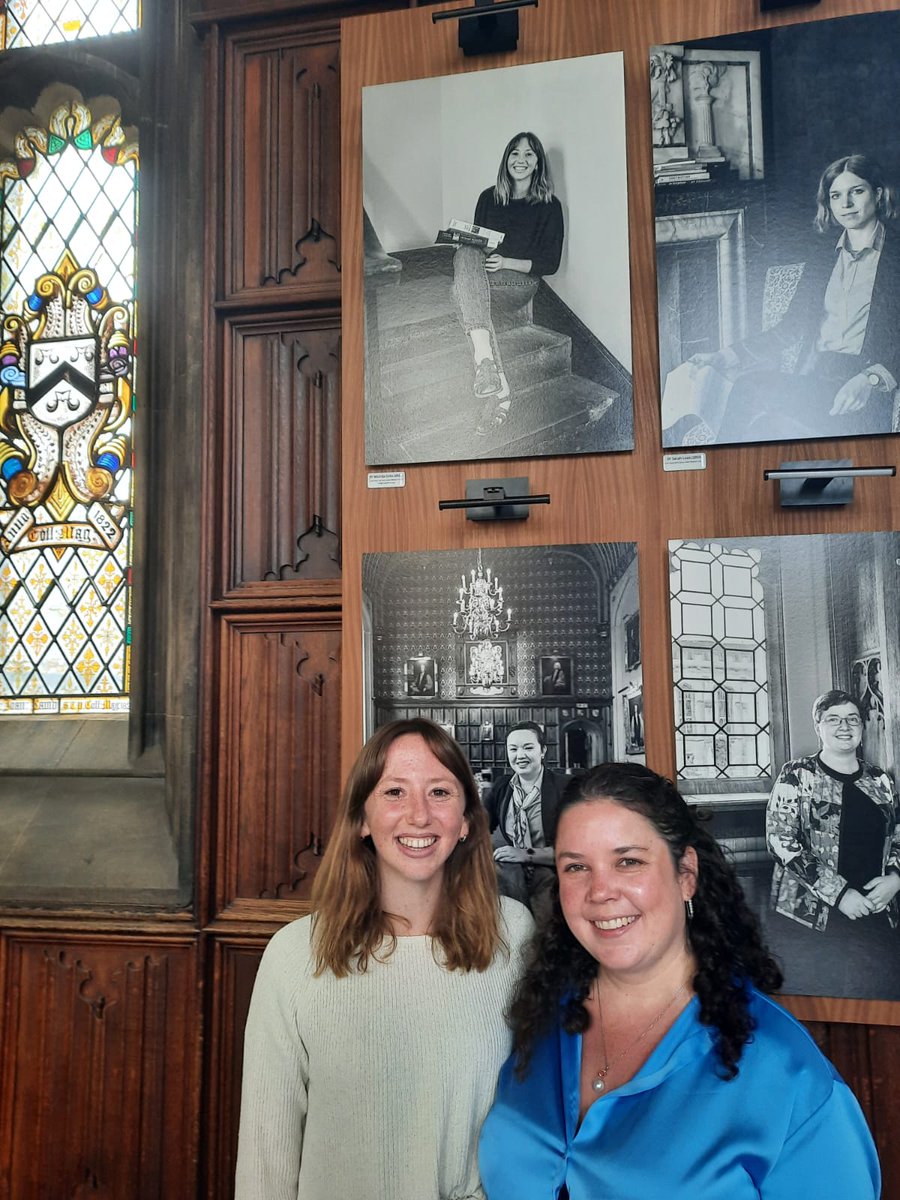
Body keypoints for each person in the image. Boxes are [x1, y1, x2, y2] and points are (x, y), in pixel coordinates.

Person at [479, 762, 881, 1199]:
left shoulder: (789, 1074)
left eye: (628, 861)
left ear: (685, 874)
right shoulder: (538, 1020)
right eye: (576, 868)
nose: (600, 892)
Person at [235, 717, 533, 1200]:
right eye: (394, 792)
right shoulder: (294, 955)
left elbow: (538, 1117)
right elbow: (267, 1153)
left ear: (466, 823)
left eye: (439, 792)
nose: (419, 815)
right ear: (361, 820)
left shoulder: (513, 933)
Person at [663, 153, 900, 445]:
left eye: (857, 191)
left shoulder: (896, 257)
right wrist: (723, 357)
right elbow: (789, 329)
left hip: (863, 386)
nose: (846, 204)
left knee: (766, 421)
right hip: (815, 377)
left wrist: (871, 379)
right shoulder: (823, 256)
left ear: (878, 194)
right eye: (836, 195)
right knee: (748, 391)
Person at [766, 688, 900, 998]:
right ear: (818, 727)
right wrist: (839, 894)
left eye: (853, 719)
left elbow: (896, 833)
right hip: (813, 918)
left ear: (862, 727)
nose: (845, 726)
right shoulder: (797, 775)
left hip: (875, 909)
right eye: (833, 719)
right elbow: (780, 840)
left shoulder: (880, 780)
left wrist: (895, 879)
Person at [452, 131, 564, 436]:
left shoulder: (548, 205)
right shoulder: (488, 197)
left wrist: (505, 263)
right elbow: (479, 244)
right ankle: (493, 377)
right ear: (506, 159)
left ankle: (490, 373)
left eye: (529, 154)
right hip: (487, 277)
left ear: (538, 162)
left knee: (459, 292)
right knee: (465, 251)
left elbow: (549, 263)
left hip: (520, 284)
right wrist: (476, 252)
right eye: (515, 153)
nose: (521, 160)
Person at [483, 721, 567, 915]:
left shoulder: (564, 787)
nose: (520, 755)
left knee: (544, 927)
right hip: (512, 872)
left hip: (553, 872)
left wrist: (525, 854)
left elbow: (580, 848)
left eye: (528, 747)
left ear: (543, 750)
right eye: (513, 749)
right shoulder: (503, 787)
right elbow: (480, 825)